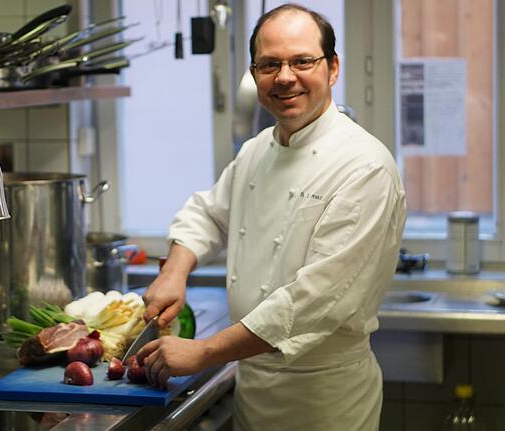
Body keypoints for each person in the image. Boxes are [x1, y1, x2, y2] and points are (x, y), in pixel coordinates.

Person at [135, 4, 407, 431]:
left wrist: (205, 352)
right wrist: (174, 271)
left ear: (333, 68)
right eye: (269, 64)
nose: (284, 77)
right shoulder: (258, 149)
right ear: (255, 72)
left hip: (325, 402)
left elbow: (314, 301)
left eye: (302, 61)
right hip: (254, 391)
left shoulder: (364, 166)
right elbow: (210, 215)